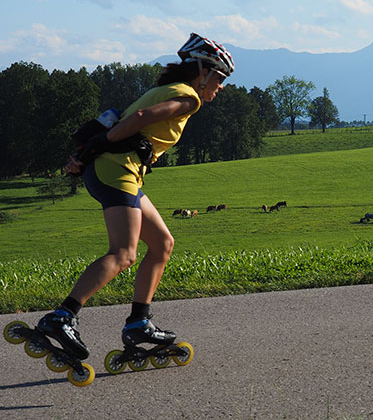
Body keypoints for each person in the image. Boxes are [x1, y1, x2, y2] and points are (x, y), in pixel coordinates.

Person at [36, 33, 234, 361]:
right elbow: (141, 119)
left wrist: (89, 151)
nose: (222, 85)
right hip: (117, 171)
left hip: (120, 171)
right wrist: (97, 148)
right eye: (220, 77)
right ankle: (62, 317)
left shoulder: (167, 89)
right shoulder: (189, 97)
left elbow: (120, 120)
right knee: (124, 254)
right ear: (202, 72)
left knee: (162, 244)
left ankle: (139, 322)